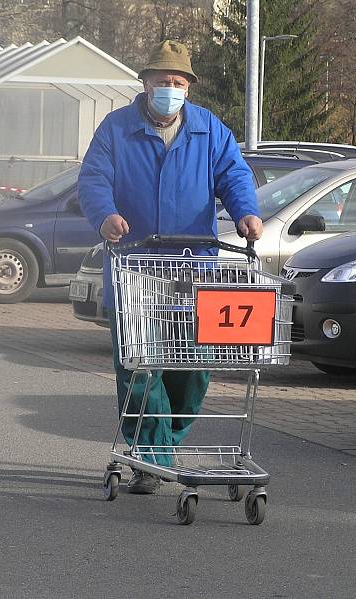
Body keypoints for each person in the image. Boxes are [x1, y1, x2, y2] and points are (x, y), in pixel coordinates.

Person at [78, 40, 263, 495]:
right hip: (135, 266)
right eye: (163, 81)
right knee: (141, 364)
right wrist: (105, 217)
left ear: (188, 89)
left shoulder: (208, 129)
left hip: (191, 268)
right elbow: (93, 179)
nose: (170, 88)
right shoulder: (116, 128)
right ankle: (152, 457)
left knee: (193, 364)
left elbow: (234, 174)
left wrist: (246, 211)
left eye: (178, 83)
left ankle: (163, 446)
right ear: (145, 83)